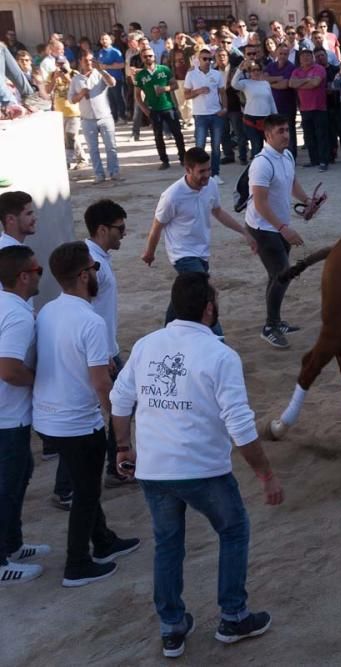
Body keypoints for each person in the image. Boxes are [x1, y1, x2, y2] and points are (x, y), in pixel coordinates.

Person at [110, 273, 282, 658]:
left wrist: (123, 447)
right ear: (209, 309)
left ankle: (172, 627)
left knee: (168, 544)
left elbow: (120, 400)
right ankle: (233, 615)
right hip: (203, 470)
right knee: (233, 530)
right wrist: (265, 473)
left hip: (154, 470)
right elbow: (240, 427)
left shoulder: (145, 345)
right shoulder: (221, 355)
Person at [34, 241, 140, 587]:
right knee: (87, 493)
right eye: (94, 269)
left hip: (49, 417)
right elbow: (100, 383)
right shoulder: (91, 322)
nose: (98, 274)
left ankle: (104, 540)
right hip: (77, 421)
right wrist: (118, 425)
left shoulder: (48, 310)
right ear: (83, 275)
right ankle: (77, 564)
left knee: (85, 486)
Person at [143, 148, 256, 337]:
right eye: (201, 171)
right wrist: (150, 252)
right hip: (182, 255)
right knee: (205, 295)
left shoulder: (211, 185)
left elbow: (218, 212)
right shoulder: (172, 195)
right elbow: (157, 226)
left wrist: (244, 232)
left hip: (202, 253)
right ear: (188, 169)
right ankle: (218, 340)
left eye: (208, 169)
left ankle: (165, 334)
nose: (206, 175)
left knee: (183, 296)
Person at [0, 245, 49, 586]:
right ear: (23, 276)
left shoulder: (7, 305)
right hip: (8, 417)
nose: (39, 274)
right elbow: (9, 369)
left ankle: (13, 545)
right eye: (37, 270)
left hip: (7, 415)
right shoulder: (17, 315)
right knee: (8, 484)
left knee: (20, 476)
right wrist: (43, 384)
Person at [246, 114, 316, 349]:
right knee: (282, 273)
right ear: (267, 135)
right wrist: (284, 229)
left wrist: (307, 200)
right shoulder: (261, 163)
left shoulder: (286, 155)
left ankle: (275, 321)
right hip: (263, 228)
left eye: (287, 129)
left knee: (277, 275)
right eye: (281, 131)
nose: (286, 135)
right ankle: (270, 326)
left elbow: (291, 182)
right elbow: (260, 203)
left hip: (277, 224)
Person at [82, 200, 133, 488]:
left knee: (119, 406)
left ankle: (116, 466)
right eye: (119, 228)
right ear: (102, 229)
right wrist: (103, 352)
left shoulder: (95, 255)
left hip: (105, 347)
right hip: (102, 351)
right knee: (117, 407)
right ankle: (116, 467)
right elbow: (86, 309)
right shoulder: (92, 263)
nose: (124, 233)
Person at [70, 51, 121, 184]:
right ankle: (99, 174)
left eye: (91, 60)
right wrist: (81, 94)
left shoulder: (100, 74)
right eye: (86, 60)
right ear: (80, 61)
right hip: (87, 119)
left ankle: (114, 172)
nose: (89, 63)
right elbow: (72, 100)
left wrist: (102, 70)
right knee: (93, 149)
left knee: (111, 146)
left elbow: (112, 83)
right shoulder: (76, 80)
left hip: (105, 116)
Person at [134, 46, 186, 170]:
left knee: (177, 134)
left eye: (150, 56)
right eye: (145, 56)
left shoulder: (164, 69)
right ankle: (164, 160)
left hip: (168, 106)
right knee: (158, 136)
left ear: (154, 56)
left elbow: (175, 85)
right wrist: (146, 110)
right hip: (154, 109)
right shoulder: (140, 75)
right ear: (142, 58)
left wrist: (165, 89)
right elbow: (137, 96)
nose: (148, 58)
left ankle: (183, 158)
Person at [184, 48, 227, 183]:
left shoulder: (217, 74)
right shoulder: (191, 75)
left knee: (216, 146)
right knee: (199, 146)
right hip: (200, 115)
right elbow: (186, 94)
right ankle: (196, 174)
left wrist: (225, 108)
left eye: (210, 59)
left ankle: (215, 174)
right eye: (204, 59)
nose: (208, 61)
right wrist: (198, 91)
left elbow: (222, 92)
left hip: (216, 114)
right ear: (198, 59)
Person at [231, 59, 277, 158]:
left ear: (261, 71)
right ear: (249, 72)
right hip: (251, 119)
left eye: (258, 70)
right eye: (253, 70)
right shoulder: (245, 83)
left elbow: (271, 100)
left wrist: (275, 115)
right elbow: (234, 84)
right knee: (256, 145)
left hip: (266, 118)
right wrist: (240, 69)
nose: (256, 72)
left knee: (271, 145)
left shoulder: (266, 83)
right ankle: (255, 168)